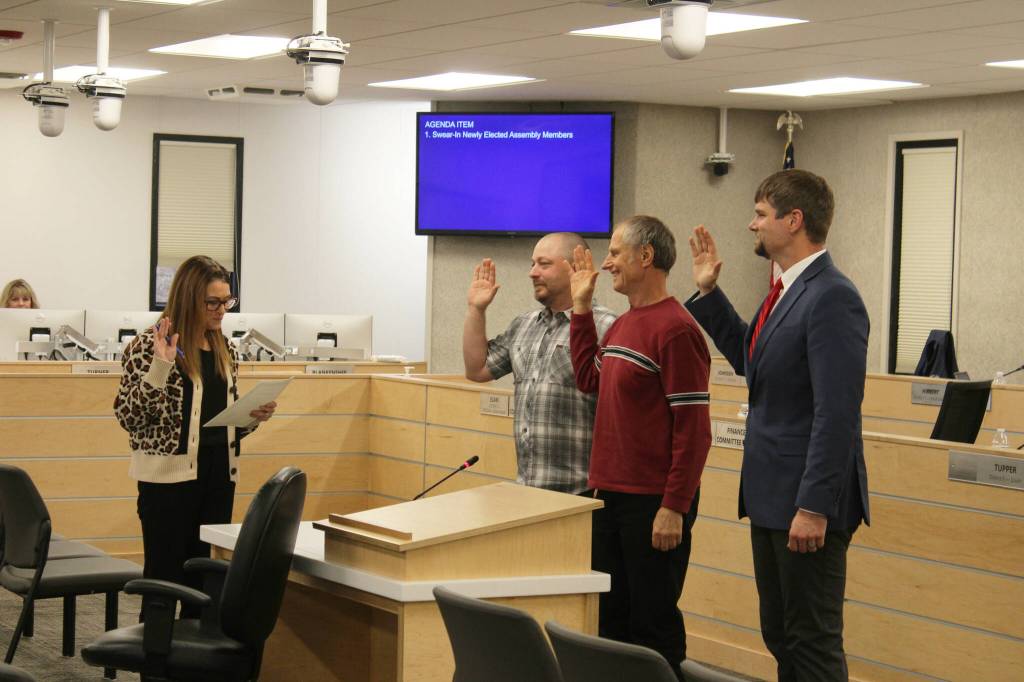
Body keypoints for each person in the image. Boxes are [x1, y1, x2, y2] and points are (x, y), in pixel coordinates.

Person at [685, 169, 869, 681]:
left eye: (761, 215)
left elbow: (838, 413)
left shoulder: (832, 295)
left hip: (805, 503)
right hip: (771, 495)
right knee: (781, 634)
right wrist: (709, 293)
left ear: (794, 220)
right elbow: (753, 361)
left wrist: (814, 505)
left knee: (810, 642)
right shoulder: (787, 290)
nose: (752, 225)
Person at [566, 215, 711, 680]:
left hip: (652, 504)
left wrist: (674, 506)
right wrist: (582, 312)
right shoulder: (625, 324)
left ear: (645, 257)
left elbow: (695, 430)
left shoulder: (676, 330)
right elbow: (590, 378)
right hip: (608, 496)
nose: (605, 263)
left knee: (653, 627)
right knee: (611, 624)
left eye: (614, 253)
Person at [113, 255, 277, 616]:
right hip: (168, 483)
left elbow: (217, 424)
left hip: (219, 476)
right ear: (189, 300)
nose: (222, 311)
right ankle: (154, 666)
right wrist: (161, 366)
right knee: (164, 583)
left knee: (205, 586)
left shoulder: (225, 349)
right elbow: (130, 417)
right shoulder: (148, 345)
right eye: (213, 303)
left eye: (227, 301)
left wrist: (252, 418)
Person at [463, 232, 617, 494]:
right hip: (529, 488)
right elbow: (477, 370)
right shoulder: (524, 325)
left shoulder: (606, 327)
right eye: (532, 264)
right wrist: (476, 310)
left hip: (583, 492)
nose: (533, 273)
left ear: (576, 268)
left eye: (544, 264)